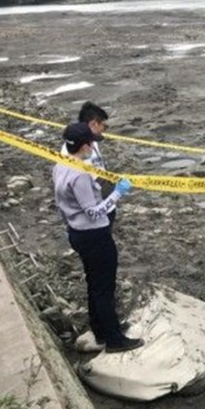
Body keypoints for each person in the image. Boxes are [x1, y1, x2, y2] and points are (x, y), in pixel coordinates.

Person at [53, 122, 144, 353]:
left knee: (94, 283)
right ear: (84, 146)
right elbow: (93, 212)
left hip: (78, 232)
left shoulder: (60, 165)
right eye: (91, 144)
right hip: (94, 235)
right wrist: (117, 194)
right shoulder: (80, 174)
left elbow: (61, 204)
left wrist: (69, 227)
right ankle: (114, 339)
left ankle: (102, 328)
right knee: (104, 287)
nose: (94, 148)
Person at [61, 101, 115, 224]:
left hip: (105, 205)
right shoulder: (71, 152)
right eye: (104, 126)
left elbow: (99, 167)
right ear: (94, 124)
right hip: (93, 213)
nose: (103, 130)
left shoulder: (91, 141)